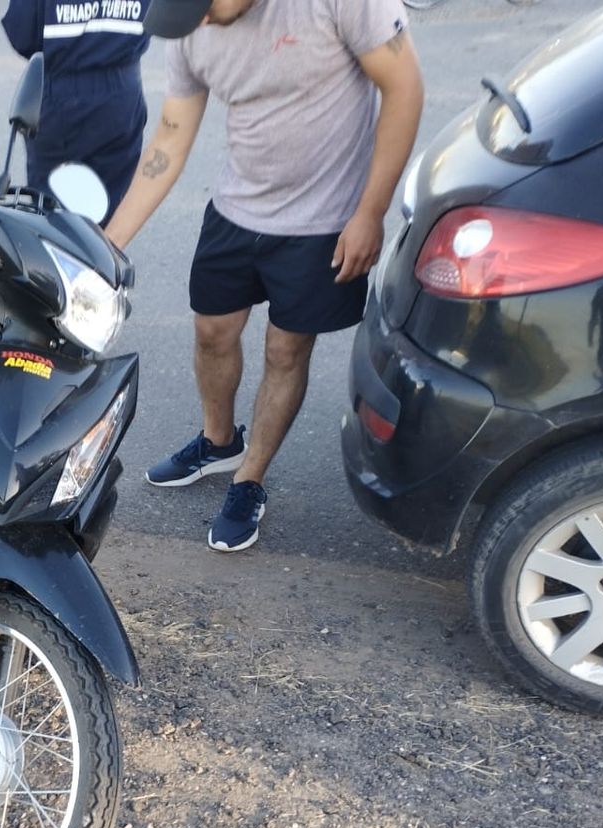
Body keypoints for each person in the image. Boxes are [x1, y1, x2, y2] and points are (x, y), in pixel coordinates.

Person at [106, 0, 424, 552]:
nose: (197, 24)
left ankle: (249, 477)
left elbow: (405, 89)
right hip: (235, 210)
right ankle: (218, 440)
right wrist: (108, 244)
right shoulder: (190, 26)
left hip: (322, 225)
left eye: (201, 11)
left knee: (285, 351)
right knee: (212, 332)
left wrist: (370, 211)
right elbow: (169, 139)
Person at [0, 0, 152, 224]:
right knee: (111, 210)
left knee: (52, 210)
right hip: (122, 92)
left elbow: (22, 33)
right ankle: (102, 252)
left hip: (61, 91)